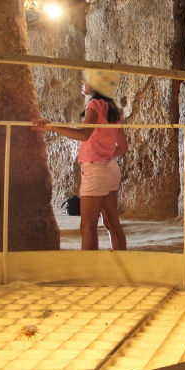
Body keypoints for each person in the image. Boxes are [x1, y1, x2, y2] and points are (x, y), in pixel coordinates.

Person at [33, 69, 128, 251]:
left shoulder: (94, 104)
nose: (82, 82)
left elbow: (84, 134)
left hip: (95, 170)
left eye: (86, 80)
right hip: (110, 169)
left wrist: (52, 127)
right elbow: (123, 147)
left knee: (87, 226)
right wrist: (105, 155)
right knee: (111, 222)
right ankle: (122, 261)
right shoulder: (113, 109)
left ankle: (89, 267)